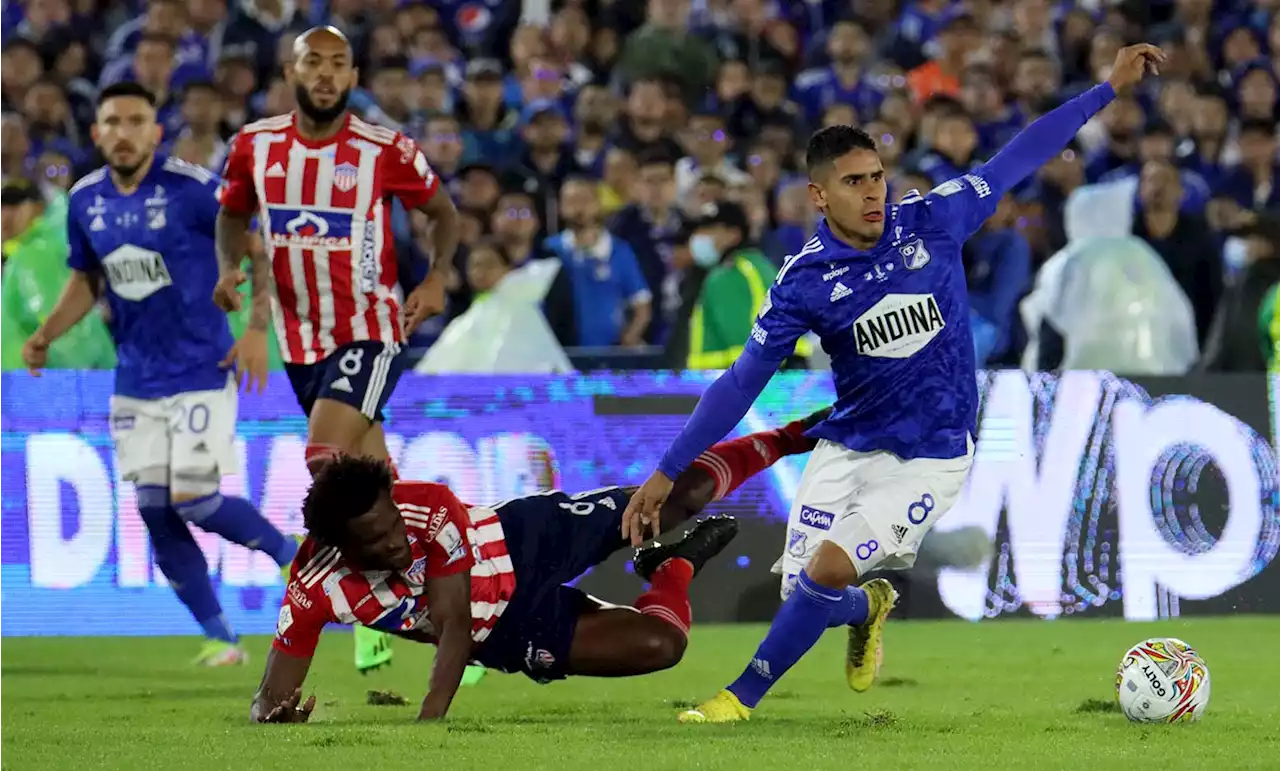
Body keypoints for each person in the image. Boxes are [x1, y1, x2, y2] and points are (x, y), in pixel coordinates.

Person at [623, 44, 1167, 723]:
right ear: (819, 195)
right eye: (854, 181)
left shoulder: (933, 221)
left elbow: (1019, 158)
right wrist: (668, 470)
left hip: (931, 453)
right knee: (808, 592)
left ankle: (738, 698)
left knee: (821, 573)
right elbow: (738, 385)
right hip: (850, 444)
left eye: (878, 175)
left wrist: (1104, 91)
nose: (874, 190)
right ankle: (872, 603)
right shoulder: (802, 283)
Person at [251, 409, 831, 723]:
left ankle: (788, 436)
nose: (400, 541)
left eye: (395, 522)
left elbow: (452, 623)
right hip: (504, 631)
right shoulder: (314, 586)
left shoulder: (424, 505)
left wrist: (428, 724)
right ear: (340, 547)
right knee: (661, 647)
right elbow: (269, 694)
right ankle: (672, 568)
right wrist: (272, 715)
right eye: (378, 540)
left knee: (673, 501)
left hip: (527, 539)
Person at [21, 81, 298, 666]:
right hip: (137, 379)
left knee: (195, 500)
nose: (124, 132)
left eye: (136, 120)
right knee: (153, 507)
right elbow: (87, 279)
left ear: (156, 130)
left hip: (201, 366)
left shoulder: (193, 191)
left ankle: (293, 557)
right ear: (96, 133)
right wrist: (46, 333)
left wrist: (255, 327)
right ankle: (222, 639)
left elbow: (257, 243)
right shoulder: (84, 200)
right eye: (113, 122)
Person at [211, 25, 460, 675]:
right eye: (312, 63)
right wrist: (228, 266)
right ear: (290, 72)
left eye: (337, 64)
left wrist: (435, 275)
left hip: (372, 328)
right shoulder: (254, 148)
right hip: (300, 343)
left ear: (353, 77)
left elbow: (443, 211)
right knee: (382, 486)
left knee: (326, 457)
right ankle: (456, 603)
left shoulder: (384, 148)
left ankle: (366, 622)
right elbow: (232, 215)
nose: (325, 74)